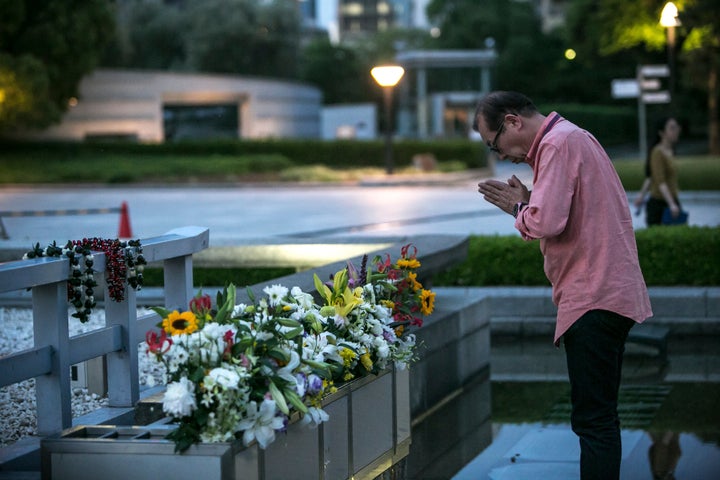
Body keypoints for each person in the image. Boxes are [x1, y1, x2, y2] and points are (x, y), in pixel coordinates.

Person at [474, 91, 653, 480]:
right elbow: (564, 213)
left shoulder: (556, 143)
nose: (500, 155)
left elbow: (546, 222)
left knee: (594, 422)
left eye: (495, 144)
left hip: (593, 296)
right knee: (599, 417)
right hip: (607, 292)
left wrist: (519, 209)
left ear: (513, 121)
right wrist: (531, 202)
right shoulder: (572, 137)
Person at [633, 117, 683, 226]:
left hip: (672, 199)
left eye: (676, 127)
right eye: (672, 128)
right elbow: (660, 181)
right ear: (661, 132)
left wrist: (641, 196)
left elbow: (651, 177)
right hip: (660, 204)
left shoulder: (670, 151)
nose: (676, 131)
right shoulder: (657, 152)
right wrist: (672, 205)